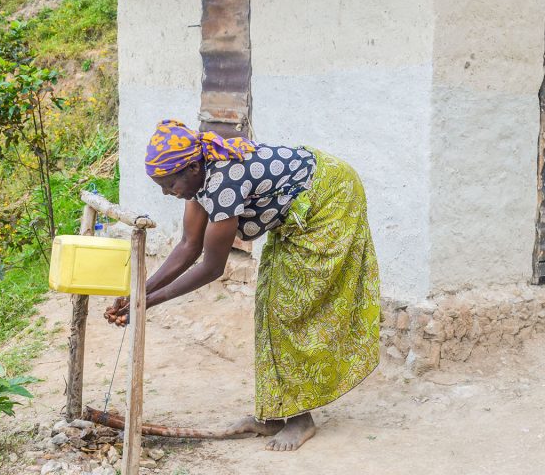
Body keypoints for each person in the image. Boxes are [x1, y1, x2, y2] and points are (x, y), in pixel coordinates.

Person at [104, 119, 381, 452]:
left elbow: (211, 266)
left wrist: (148, 302)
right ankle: (274, 414)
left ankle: (300, 419)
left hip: (331, 201)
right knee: (268, 305)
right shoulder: (202, 170)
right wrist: (139, 293)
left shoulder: (222, 182)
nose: (167, 193)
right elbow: (188, 246)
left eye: (169, 185)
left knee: (290, 308)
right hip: (299, 205)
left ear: (191, 168)